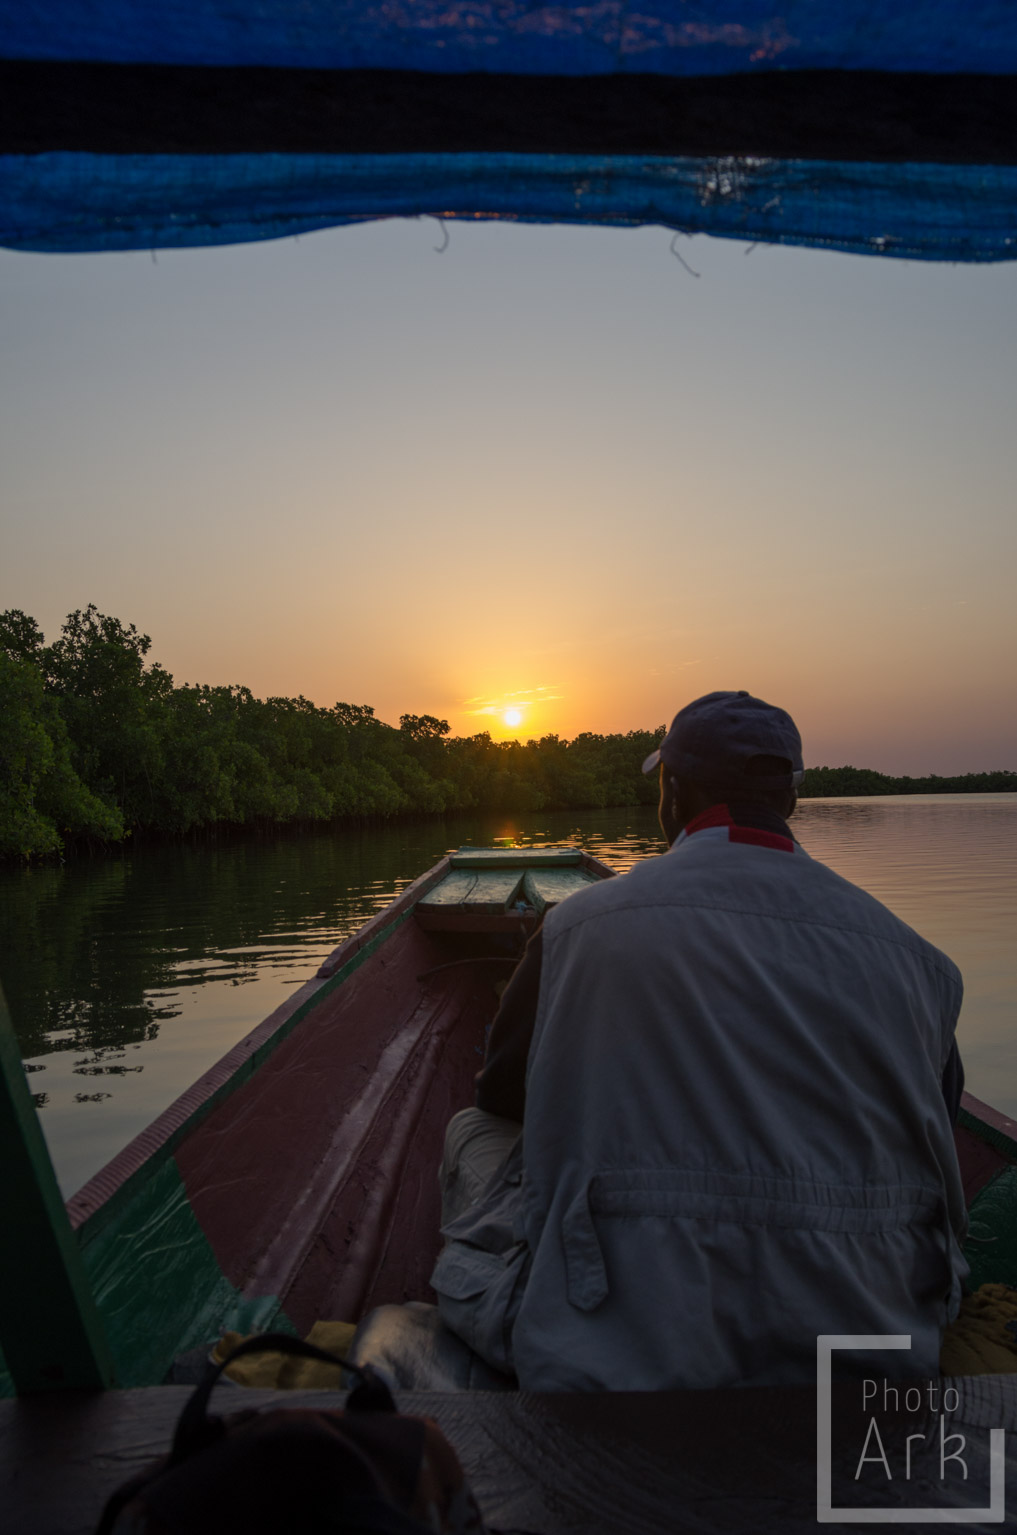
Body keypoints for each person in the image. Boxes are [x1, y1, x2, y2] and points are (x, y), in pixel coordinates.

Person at [431, 690, 968, 1391]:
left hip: (623, 1352)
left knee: (471, 1128)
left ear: (672, 792)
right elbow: (936, 1128)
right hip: (869, 1345)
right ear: (790, 801)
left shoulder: (577, 928)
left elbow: (504, 1094)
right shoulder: (919, 961)